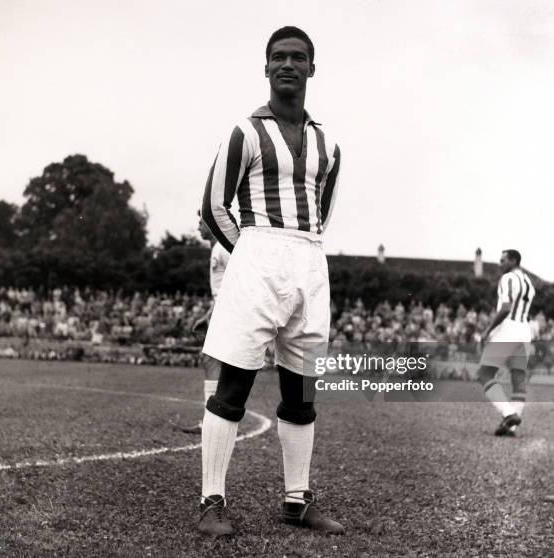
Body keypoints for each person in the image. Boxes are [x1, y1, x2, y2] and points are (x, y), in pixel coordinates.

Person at [198, 26, 343, 536]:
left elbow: (321, 212)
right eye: (278, 57)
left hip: (308, 259)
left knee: (301, 391)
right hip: (256, 254)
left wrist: (296, 252)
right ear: (265, 68)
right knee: (234, 383)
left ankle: (296, 500)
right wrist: (249, 256)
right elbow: (214, 206)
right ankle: (211, 501)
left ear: (311, 68)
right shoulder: (245, 132)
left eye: (297, 57)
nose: (287, 64)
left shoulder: (328, 143)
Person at [179, 212, 230, 434]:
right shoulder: (217, 249)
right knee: (215, 362)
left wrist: (217, 312)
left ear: (211, 225)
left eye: (201, 222)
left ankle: (212, 423)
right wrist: (208, 313)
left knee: (211, 361)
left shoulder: (222, 249)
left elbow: (235, 280)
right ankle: (215, 421)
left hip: (227, 312)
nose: (198, 226)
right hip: (221, 311)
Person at [477, 250, 535, 436]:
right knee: (518, 379)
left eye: (503, 260)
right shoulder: (529, 282)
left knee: (485, 373)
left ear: (513, 260)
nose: (499, 264)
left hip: (508, 329)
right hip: (525, 331)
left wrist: (488, 330)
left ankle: (508, 413)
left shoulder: (508, 278)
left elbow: (506, 308)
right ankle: (511, 426)